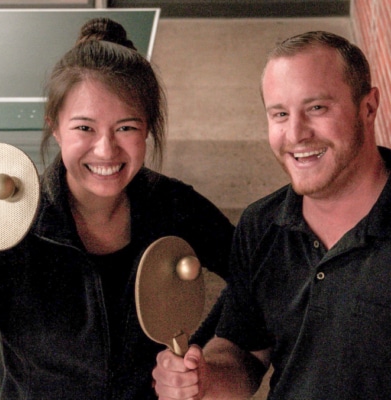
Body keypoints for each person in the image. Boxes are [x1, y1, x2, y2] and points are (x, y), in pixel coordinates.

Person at [0, 17, 234, 400]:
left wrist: (203, 355)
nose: (105, 150)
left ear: (148, 128)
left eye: (126, 128)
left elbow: (255, 279)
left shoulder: (174, 207)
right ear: (55, 126)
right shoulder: (11, 227)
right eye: (85, 128)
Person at [152, 30, 391, 400]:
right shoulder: (261, 226)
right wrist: (204, 378)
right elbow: (244, 352)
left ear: (369, 106)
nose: (295, 134)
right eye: (280, 114)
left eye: (317, 108)